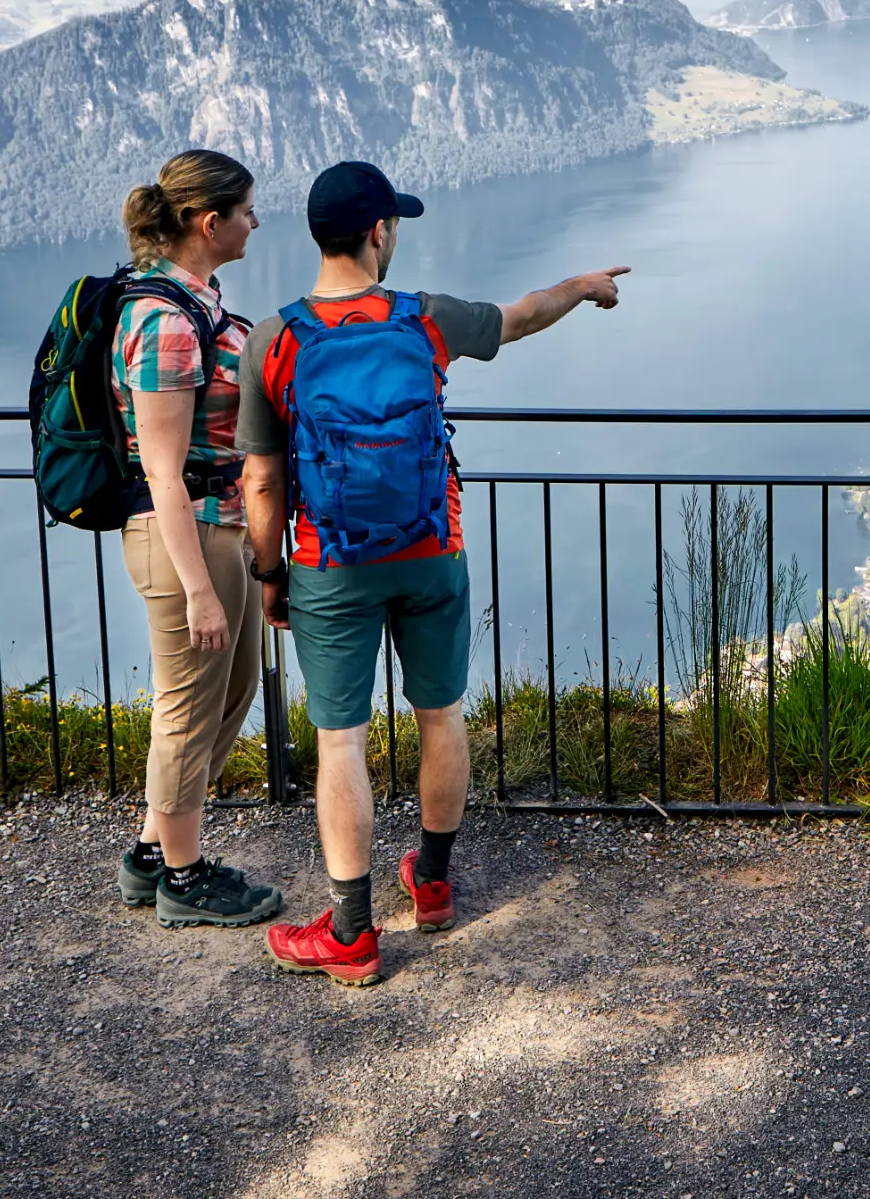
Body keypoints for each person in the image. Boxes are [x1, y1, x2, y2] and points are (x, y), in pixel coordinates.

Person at [241, 159, 627, 986]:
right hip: (430, 551)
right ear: (379, 232)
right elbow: (522, 318)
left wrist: (269, 574)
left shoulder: (274, 340)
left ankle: (350, 932)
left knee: (340, 739)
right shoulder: (425, 319)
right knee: (439, 716)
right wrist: (581, 284)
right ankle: (435, 883)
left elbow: (264, 480)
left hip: (329, 565)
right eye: (395, 225)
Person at [110, 148, 286, 929]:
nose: (255, 221)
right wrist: (198, 590)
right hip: (185, 539)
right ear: (209, 223)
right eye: (247, 210)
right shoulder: (164, 325)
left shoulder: (199, 301)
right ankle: (182, 878)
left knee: (232, 693)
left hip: (222, 532)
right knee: (186, 711)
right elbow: (161, 471)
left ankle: (152, 851)